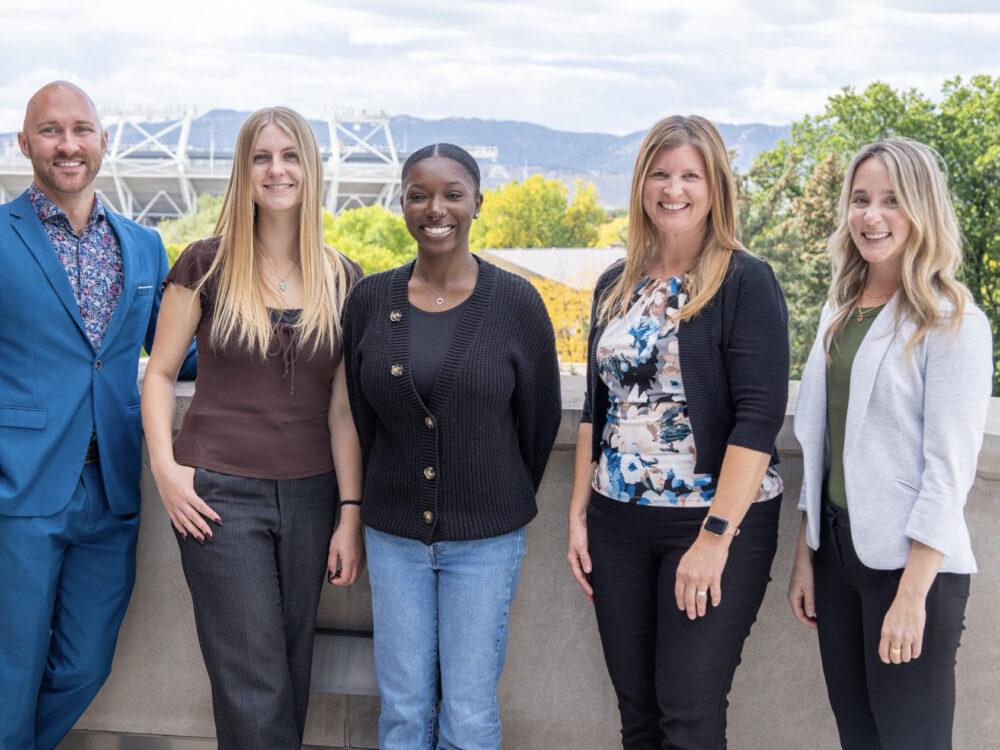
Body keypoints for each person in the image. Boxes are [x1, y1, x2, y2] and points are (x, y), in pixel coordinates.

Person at [141, 106, 363, 750]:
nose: (277, 169)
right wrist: (167, 470)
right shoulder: (204, 264)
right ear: (244, 170)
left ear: (311, 169)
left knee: (291, 673)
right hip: (219, 498)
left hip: (312, 494)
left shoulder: (341, 277)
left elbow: (342, 410)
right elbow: (158, 377)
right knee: (252, 682)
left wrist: (349, 512)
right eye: (262, 157)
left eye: (290, 155)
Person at [566, 115, 789, 750]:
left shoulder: (746, 281)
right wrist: (578, 515)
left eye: (690, 175)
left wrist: (715, 538)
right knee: (637, 715)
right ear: (641, 185)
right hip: (617, 524)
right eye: (660, 174)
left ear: (715, 187)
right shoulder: (617, 282)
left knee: (687, 716)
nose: (674, 189)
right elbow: (595, 409)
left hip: (711, 523)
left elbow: (757, 418)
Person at [343, 143, 561, 750]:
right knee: (404, 710)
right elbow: (358, 419)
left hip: (485, 544)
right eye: (419, 194)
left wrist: (489, 499)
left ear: (477, 204)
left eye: (451, 194)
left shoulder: (517, 303)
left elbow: (539, 425)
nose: (435, 208)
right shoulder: (368, 301)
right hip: (393, 540)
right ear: (402, 205)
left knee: (467, 713)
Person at [0, 81, 197, 750]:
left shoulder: (144, 247)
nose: (68, 144)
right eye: (50, 131)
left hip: (111, 490)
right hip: (19, 490)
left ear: (103, 142)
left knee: (85, 664)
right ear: (24, 144)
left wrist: (286, 337)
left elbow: (178, 357)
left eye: (81, 129)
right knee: (11, 672)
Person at [787, 138, 993, 750]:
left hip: (910, 569)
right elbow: (820, 441)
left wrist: (910, 598)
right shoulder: (840, 307)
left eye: (892, 201)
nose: (871, 217)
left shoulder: (952, 317)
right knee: (860, 740)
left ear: (924, 210)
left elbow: (949, 472)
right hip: (837, 555)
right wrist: (808, 553)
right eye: (860, 200)